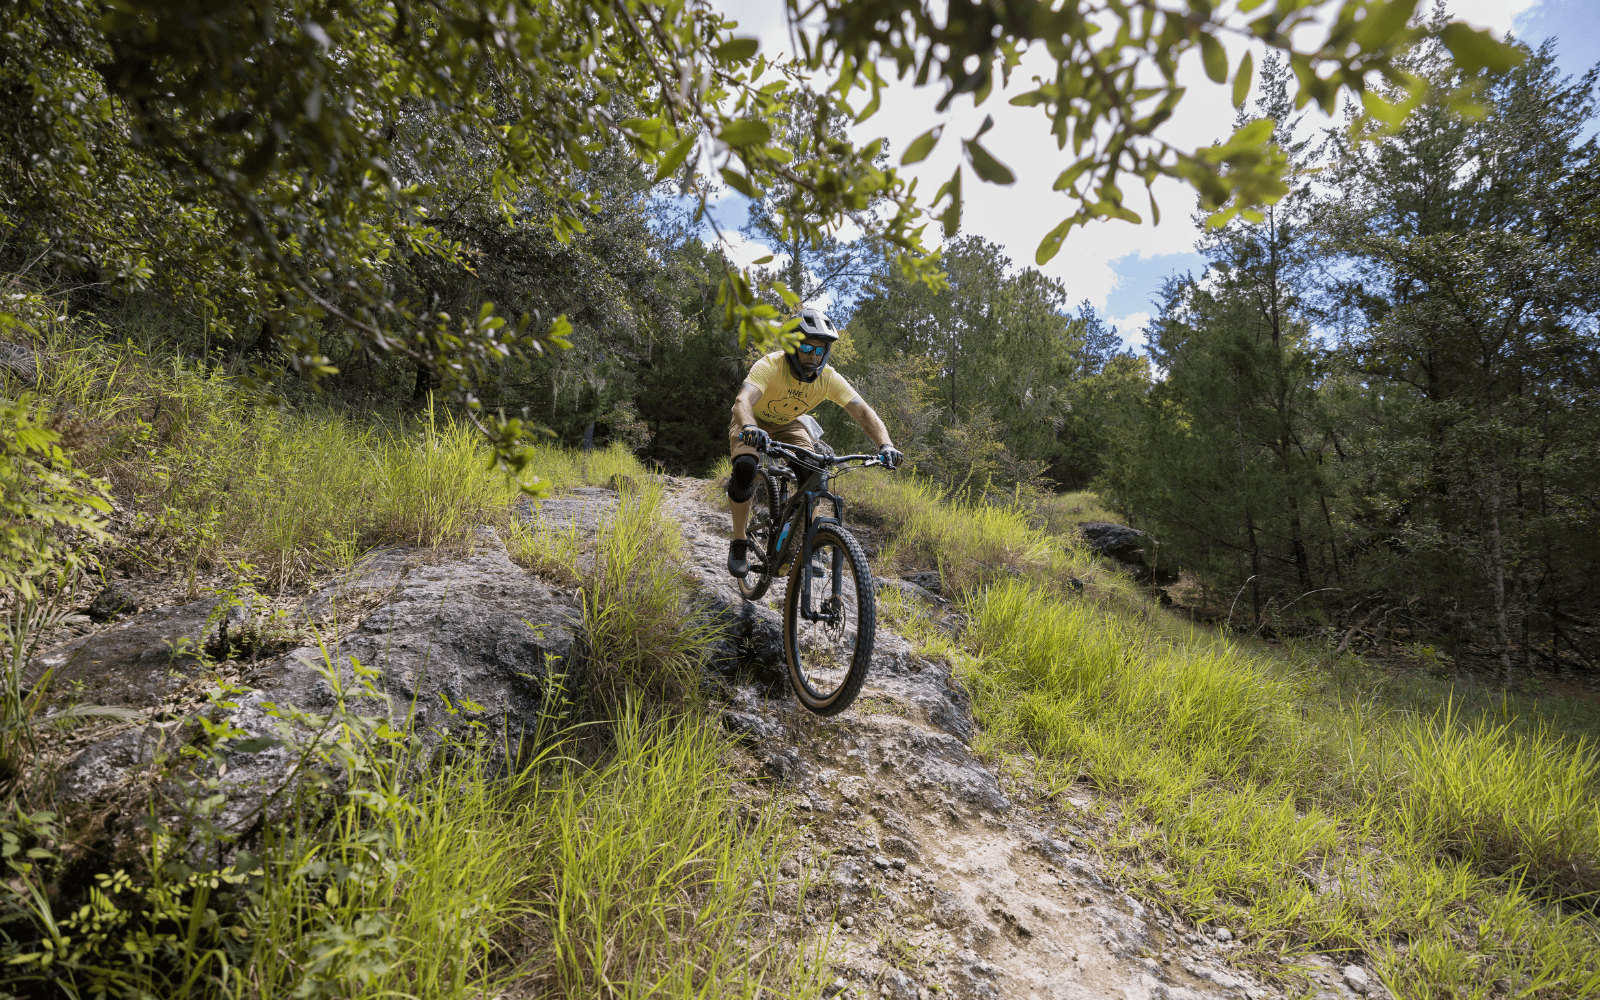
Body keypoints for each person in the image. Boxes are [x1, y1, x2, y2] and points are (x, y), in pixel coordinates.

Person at [726, 306, 903, 576]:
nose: (813, 356)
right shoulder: (771, 365)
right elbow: (742, 401)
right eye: (807, 348)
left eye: (820, 350)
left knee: (814, 475)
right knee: (745, 467)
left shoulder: (829, 378)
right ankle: (739, 540)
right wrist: (750, 426)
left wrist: (885, 444)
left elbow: (863, 412)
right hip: (753, 420)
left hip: (788, 424)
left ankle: (806, 540)